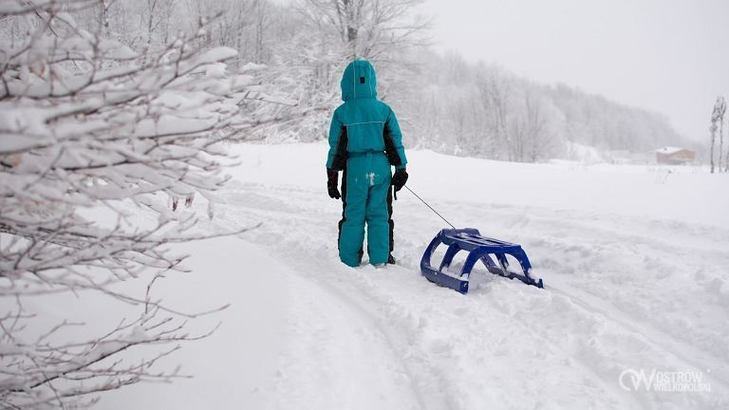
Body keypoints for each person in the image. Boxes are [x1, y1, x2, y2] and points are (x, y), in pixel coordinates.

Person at [326, 59, 408, 267]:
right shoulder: (384, 110)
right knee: (380, 214)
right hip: (380, 167)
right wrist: (401, 168)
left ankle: (349, 259)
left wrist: (332, 175)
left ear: (346, 83)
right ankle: (380, 259)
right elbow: (394, 140)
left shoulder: (342, 113)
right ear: (372, 82)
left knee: (353, 215)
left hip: (354, 169)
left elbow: (336, 146)